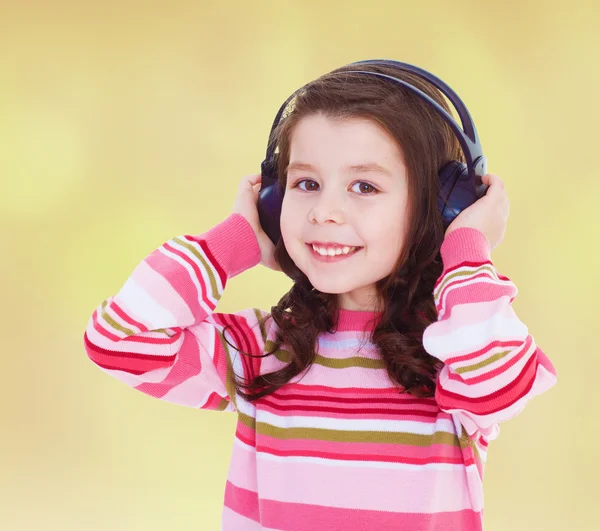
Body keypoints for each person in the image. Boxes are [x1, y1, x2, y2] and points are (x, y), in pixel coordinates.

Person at [83, 62, 558, 531]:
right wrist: (231, 244)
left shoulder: (455, 352)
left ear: (441, 209)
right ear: (272, 202)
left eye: (365, 186)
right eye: (306, 183)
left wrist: (465, 247)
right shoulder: (261, 351)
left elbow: (498, 383)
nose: (325, 211)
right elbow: (119, 339)